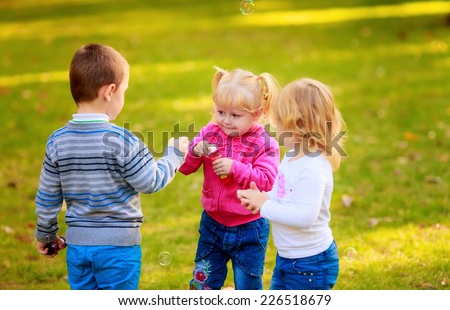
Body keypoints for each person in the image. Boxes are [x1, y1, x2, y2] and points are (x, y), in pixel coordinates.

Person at [34, 43, 189, 290]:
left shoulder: (57, 141)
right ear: (110, 91)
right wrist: (174, 154)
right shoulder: (122, 140)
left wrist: (46, 235)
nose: (122, 99)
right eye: (123, 92)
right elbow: (151, 181)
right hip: (118, 250)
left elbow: (47, 198)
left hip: (78, 249)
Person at [237, 78, 345, 290]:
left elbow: (304, 217)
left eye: (278, 121)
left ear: (298, 126)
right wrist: (263, 197)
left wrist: (264, 206)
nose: (273, 126)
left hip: (311, 264)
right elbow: (284, 196)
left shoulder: (312, 168)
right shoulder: (292, 157)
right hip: (288, 258)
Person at [179, 67, 280, 290]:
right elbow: (185, 168)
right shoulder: (209, 132)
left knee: (247, 285)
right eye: (220, 112)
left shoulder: (265, 143)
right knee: (202, 282)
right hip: (212, 224)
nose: (225, 121)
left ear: (256, 113)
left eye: (235, 115)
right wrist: (195, 152)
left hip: (249, 226)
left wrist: (236, 168)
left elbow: (267, 182)